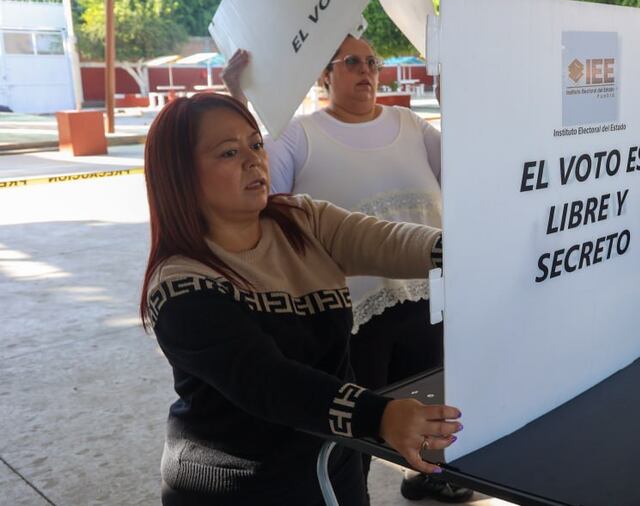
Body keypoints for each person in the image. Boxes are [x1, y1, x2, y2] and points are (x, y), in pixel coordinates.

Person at [140, 92, 462, 505]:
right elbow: (268, 382)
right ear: (178, 174)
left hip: (332, 466)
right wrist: (378, 415)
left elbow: (384, 240)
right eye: (228, 152)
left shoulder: (300, 220)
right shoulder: (180, 284)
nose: (253, 159)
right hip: (239, 488)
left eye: (255, 144)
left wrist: (461, 253)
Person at [223, 34, 472, 503]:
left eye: (373, 62)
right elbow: (252, 188)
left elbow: (469, 169)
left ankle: (427, 473)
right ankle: (351, 495)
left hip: (429, 296)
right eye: (352, 61)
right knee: (357, 424)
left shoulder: (411, 126)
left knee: (432, 399)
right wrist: (238, 99)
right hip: (352, 314)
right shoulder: (300, 134)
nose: (367, 71)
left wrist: (455, 101)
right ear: (325, 74)